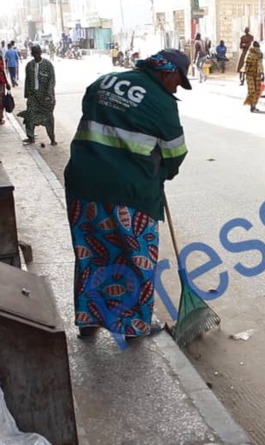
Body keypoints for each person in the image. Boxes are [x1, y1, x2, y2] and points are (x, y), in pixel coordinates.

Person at [62, 49, 191, 339]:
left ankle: (88, 319)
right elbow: (176, 152)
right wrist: (162, 173)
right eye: (178, 82)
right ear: (168, 73)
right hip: (130, 193)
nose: (176, 89)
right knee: (135, 256)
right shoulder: (161, 101)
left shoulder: (103, 82)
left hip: (83, 187)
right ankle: (132, 325)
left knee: (91, 252)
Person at [19, 45, 57, 145]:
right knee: (30, 115)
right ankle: (30, 137)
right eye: (34, 52)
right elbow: (27, 80)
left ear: (40, 52)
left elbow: (52, 80)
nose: (36, 54)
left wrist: (49, 94)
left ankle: (52, 138)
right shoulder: (29, 65)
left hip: (45, 98)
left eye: (37, 52)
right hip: (33, 96)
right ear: (32, 54)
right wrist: (27, 94)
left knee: (48, 118)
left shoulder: (48, 65)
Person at [242, 41, 264, 113]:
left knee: (257, 90)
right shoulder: (250, 54)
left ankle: (253, 105)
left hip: (257, 74)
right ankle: (252, 105)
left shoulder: (260, 54)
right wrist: (242, 76)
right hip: (249, 74)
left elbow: (260, 64)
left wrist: (262, 73)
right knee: (252, 90)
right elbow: (246, 65)